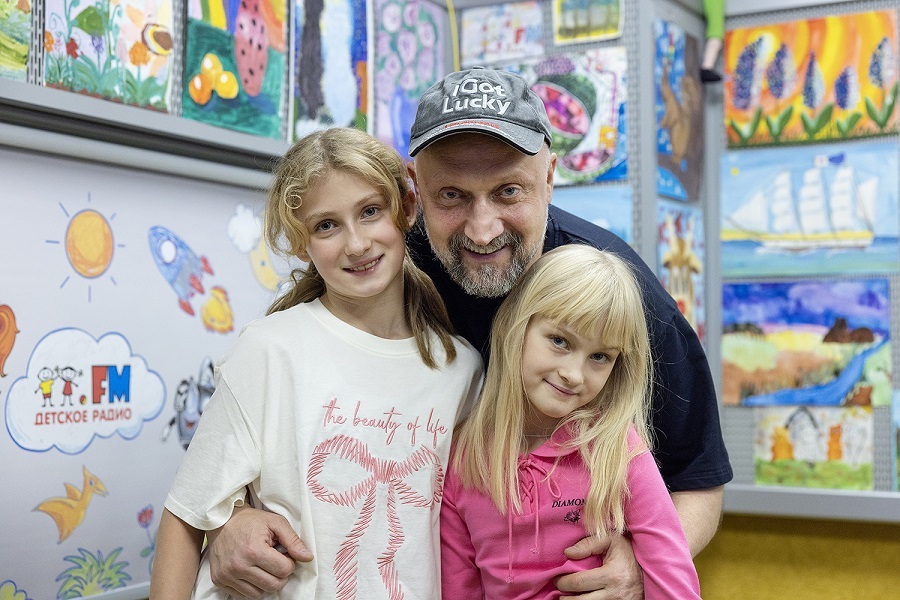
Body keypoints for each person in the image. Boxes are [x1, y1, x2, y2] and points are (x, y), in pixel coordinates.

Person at [206, 67, 732, 599]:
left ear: (550, 176)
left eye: (509, 192)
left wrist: (641, 568)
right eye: (452, 196)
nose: (482, 230)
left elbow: (700, 481)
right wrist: (230, 517)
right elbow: (273, 407)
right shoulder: (384, 266)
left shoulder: (617, 299)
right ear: (415, 190)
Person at [149, 127, 483, 599]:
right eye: (327, 225)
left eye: (370, 212)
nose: (357, 244)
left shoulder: (461, 369)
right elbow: (186, 515)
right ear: (300, 243)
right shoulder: (269, 350)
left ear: (407, 208)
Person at [442, 244, 701, 599]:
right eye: (560, 341)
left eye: (600, 356)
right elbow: (458, 588)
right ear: (517, 326)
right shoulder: (462, 458)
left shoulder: (617, 450)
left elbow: (672, 576)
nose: (574, 374)